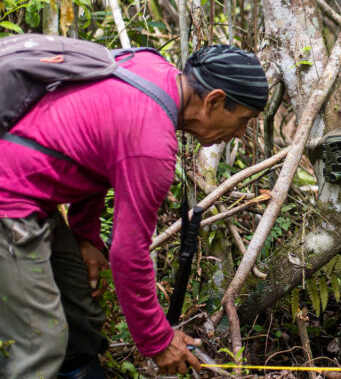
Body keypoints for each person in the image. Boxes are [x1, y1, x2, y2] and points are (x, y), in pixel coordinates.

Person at [0, 44, 269, 378]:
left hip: (29, 188)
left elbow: (94, 152)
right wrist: (157, 341)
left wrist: (86, 237)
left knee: (80, 315)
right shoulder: (152, 147)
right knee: (39, 344)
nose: (240, 133)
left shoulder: (147, 65)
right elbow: (128, 255)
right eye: (241, 120)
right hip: (10, 200)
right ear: (213, 100)